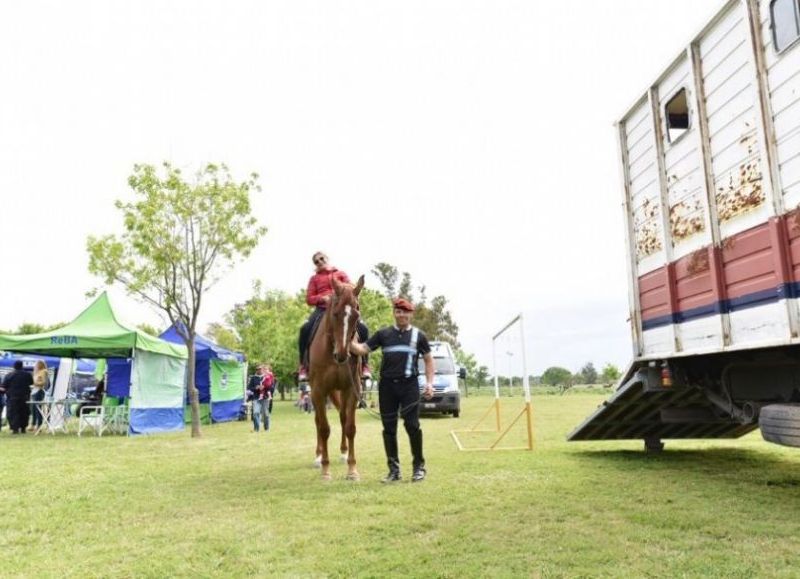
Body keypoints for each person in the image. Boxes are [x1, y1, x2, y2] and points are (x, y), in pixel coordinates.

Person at [350, 298, 434, 483]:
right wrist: (346, 342)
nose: (401, 315)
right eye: (398, 311)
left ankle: (418, 467)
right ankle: (394, 471)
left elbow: (428, 360)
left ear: (410, 314)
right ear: (394, 313)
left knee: (412, 426)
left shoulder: (418, 336)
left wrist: (429, 383)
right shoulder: (383, 334)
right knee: (389, 429)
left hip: (409, 386)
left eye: (405, 312)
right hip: (387, 387)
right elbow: (362, 349)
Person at [298, 251, 370, 382]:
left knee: (363, 328)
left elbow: (352, 289)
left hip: (342, 309)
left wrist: (338, 296)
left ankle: (365, 364)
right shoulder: (314, 279)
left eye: (321, 259)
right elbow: (309, 298)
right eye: (316, 261)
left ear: (327, 259)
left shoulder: (340, 274)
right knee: (305, 329)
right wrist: (322, 298)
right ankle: (303, 366)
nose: (319, 262)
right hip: (322, 309)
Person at [3, 360, 33, 434]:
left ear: (14, 366)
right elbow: (31, 382)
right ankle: (23, 428)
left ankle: (15, 429)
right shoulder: (27, 374)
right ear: (22, 366)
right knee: (24, 412)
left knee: (13, 413)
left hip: (12, 397)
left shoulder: (9, 375)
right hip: (24, 397)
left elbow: (4, 385)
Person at [248, 365, 275, 433]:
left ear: (262, 370)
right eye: (257, 369)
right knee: (255, 412)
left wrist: (265, 388)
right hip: (256, 398)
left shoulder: (267, 376)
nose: (259, 370)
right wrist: (256, 388)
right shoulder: (253, 378)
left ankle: (266, 428)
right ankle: (256, 429)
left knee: (265, 414)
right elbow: (249, 388)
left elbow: (272, 387)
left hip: (265, 397)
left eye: (260, 369)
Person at [30, 360, 50, 429]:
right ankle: (33, 424)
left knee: (38, 409)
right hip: (34, 391)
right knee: (33, 409)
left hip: (39, 391)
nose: (35, 365)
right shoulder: (36, 372)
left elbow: (44, 382)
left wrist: (35, 384)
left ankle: (38, 425)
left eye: (36, 364)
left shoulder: (44, 371)